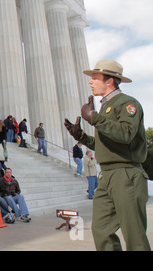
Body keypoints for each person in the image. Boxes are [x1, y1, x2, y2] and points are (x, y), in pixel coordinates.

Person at [64, 59, 150, 251]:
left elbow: (126, 134)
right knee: (101, 230)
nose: (90, 81)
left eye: (95, 77)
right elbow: (106, 145)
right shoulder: (106, 107)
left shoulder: (127, 103)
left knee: (134, 235)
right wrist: (82, 137)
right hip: (107, 177)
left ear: (109, 81)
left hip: (126, 175)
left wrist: (94, 118)